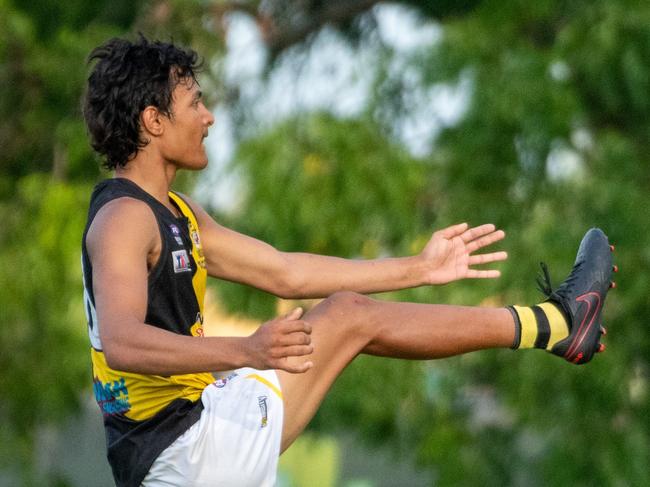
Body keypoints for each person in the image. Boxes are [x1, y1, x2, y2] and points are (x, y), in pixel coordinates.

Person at [81, 36, 616, 487]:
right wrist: (246, 348)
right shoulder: (124, 218)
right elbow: (123, 341)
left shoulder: (177, 211)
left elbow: (286, 273)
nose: (209, 116)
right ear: (153, 120)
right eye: (195, 102)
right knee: (349, 316)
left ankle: (556, 326)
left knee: (349, 314)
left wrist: (420, 268)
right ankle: (557, 325)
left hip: (197, 432)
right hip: (185, 452)